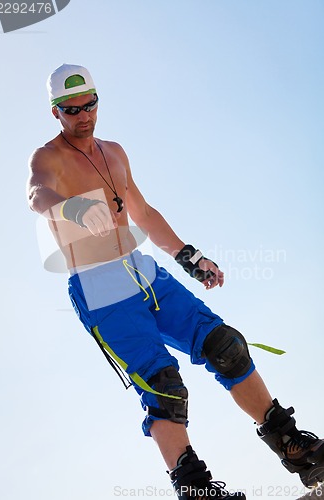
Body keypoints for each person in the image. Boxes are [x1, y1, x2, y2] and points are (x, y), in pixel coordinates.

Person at [26, 63, 324, 500]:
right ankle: (198, 492)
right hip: (99, 288)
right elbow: (37, 195)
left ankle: (296, 448)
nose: (83, 116)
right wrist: (71, 209)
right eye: (71, 110)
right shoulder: (47, 157)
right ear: (55, 112)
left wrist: (189, 256)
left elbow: (143, 214)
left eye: (89, 105)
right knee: (163, 385)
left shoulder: (114, 152)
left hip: (142, 270)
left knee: (225, 345)